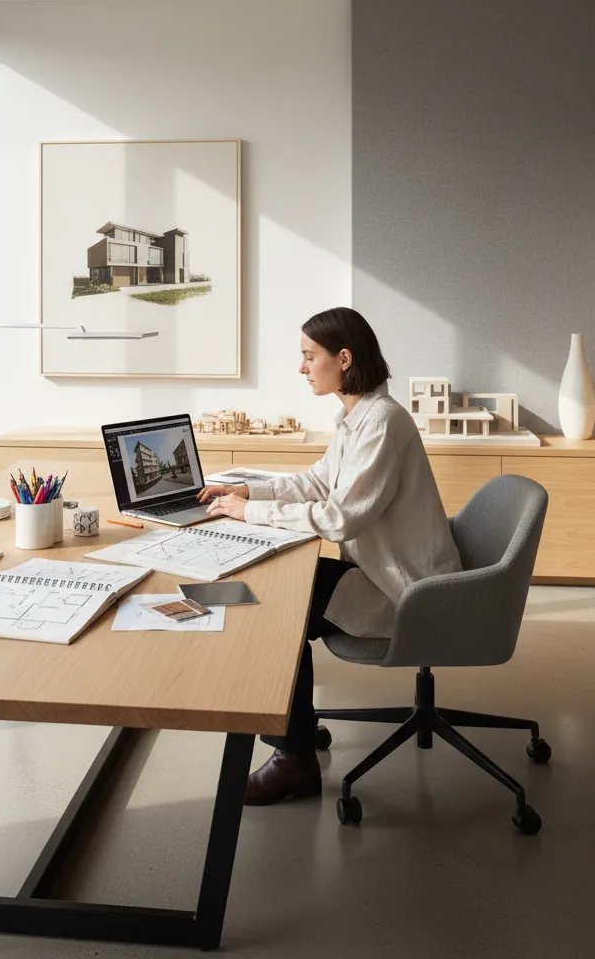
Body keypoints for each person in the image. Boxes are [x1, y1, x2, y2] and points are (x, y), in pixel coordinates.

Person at [197, 306, 462, 805]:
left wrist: (249, 515)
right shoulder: (356, 417)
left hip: (406, 592)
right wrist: (243, 494)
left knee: (277, 604)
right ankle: (295, 732)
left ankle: (293, 758)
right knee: (282, 591)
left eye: (308, 356)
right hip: (381, 573)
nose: (301, 368)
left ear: (343, 359)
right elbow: (318, 481)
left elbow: (342, 518)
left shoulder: (382, 422)